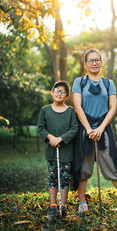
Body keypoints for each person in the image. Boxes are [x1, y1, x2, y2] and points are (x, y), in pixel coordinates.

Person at [72, 49, 117, 213]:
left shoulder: (108, 83)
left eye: (97, 60)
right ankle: (82, 202)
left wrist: (100, 128)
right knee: (84, 166)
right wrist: (89, 129)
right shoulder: (80, 82)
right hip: (85, 130)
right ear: (85, 64)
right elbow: (77, 107)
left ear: (101, 63)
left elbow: (112, 109)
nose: (94, 63)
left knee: (112, 163)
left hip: (103, 129)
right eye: (90, 60)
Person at [38, 81, 78, 220]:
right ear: (52, 92)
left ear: (66, 96)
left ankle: (63, 205)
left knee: (65, 178)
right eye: (57, 90)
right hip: (51, 150)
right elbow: (41, 128)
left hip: (65, 151)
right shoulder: (45, 110)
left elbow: (74, 128)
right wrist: (51, 138)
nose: (59, 93)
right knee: (52, 178)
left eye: (63, 91)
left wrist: (61, 138)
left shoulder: (71, 111)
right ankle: (53, 205)